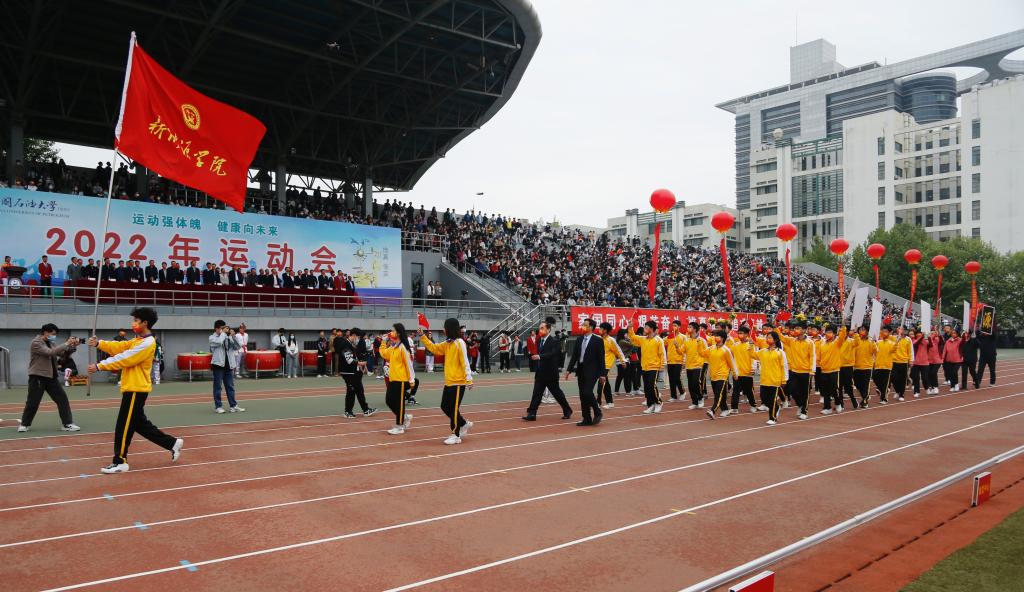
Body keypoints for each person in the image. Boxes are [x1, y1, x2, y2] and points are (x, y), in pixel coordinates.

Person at [87, 307, 183, 474]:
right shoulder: (138, 339)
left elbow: (126, 358)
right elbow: (121, 346)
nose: (133, 323)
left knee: (123, 426)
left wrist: (99, 366)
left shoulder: (147, 343)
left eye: (136, 320)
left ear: (145, 323)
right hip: (132, 388)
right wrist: (99, 344)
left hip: (136, 389)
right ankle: (172, 443)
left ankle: (120, 461)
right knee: (138, 424)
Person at [420, 318, 474, 444]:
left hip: (458, 382)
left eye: (445, 327)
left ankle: (455, 435)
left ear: (449, 328)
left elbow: (465, 361)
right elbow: (434, 348)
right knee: (444, 406)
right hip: (449, 381)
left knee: (453, 409)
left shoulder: (460, 343)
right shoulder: (448, 343)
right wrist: (423, 336)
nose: (443, 330)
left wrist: (469, 379)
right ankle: (463, 423)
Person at [18, 324, 81, 433]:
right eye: (53, 333)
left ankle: (67, 424)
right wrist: (66, 343)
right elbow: (50, 353)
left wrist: (72, 347)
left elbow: (63, 355)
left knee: (62, 399)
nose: (54, 336)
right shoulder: (36, 342)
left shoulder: (51, 343)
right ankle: (24, 424)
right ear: (45, 332)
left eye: (55, 334)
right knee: (33, 402)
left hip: (51, 376)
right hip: (38, 376)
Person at [522, 320, 573, 421]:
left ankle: (567, 410)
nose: (540, 330)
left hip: (551, 373)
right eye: (539, 328)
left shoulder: (554, 341)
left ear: (548, 329)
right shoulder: (539, 341)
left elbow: (553, 354)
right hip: (540, 372)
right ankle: (532, 413)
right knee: (536, 393)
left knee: (557, 393)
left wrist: (539, 356)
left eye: (542, 328)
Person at [565, 318, 605, 426]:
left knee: (587, 392)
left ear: (591, 327)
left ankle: (597, 411)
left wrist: (602, 374)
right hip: (581, 370)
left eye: (585, 325)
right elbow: (574, 356)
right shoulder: (579, 339)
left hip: (593, 371)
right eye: (582, 324)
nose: (582, 326)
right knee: (582, 395)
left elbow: (601, 358)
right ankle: (586, 418)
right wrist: (569, 370)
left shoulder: (598, 340)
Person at [380, 323, 416, 434]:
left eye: (394, 331)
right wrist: (383, 342)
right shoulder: (394, 346)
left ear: (399, 333)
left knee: (399, 403)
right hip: (393, 379)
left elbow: (409, 365)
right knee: (389, 400)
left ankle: (399, 426)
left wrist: (411, 380)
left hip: (401, 380)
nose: (391, 333)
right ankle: (404, 417)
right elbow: (384, 354)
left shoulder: (403, 347)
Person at [627, 319, 665, 415]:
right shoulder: (643, 339)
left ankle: (658, 402)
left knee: (652, 385)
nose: (644, 329)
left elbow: (662, 354)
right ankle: (650, 405)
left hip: (654, 367)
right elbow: (633, 337)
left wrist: (662, 366)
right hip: (644, 367)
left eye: (646, 327)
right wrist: (630, 327)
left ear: (651, 329)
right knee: (647, 387)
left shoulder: (658, 340)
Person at [780, 320, 815, 420]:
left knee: (805, 393)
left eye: (798, 328)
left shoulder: (810, 342)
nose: (795, 330)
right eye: (795, 328)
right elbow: (781, 337)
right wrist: (777, 328)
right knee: (792, 390)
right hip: (794, 370)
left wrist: (812, 371)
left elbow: (812, 356)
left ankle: (804, 411)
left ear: (804, 330)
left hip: (806, 372)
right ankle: (800, 405)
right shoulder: (792, 340)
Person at [338, 328, 376, 418]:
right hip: (348, 372)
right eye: (358, 337)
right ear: (354, 335)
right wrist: (360, 363)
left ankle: (365, 410)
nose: (358, 339)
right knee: (351, 391)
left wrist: (359, 365)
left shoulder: (349, 344)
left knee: (359, 390)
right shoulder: (345, 344)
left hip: (352, 371)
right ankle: (348, 411)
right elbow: (349, 359)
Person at [209, 320, 244, 413]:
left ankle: (233, 406)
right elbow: (219, 342)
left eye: (225, 328)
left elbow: (238, 347)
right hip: (218, 365)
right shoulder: (212, 337)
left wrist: (233, 336)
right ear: (216, 329)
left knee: (230, 386)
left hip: (229, 365)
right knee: (218, 387)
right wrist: (224, 334)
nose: (224, 329)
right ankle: (218, 407)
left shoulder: (228, 337)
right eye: (222, 328)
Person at [755, 331, 789, 426]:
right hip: (764, 380)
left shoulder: (780, 353)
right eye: (767, 338)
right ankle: (777, 408)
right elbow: (753, 355)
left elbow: (784, 366)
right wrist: (750, 345)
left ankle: (772, 418)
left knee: (772, 400)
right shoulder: (763, 351)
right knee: (765, 399)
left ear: (776, 340)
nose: (767, 339)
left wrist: (784, 379)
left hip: (775, 380)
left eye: (770, 338)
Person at [705, 330, 739, 419]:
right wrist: (699, 344)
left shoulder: (726, 350)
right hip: (713, 375)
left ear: (722, 338)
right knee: (720, 394)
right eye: (715, 335)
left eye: (717, 336)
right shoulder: (711, 348)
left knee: (718, 394)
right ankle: (725, 409)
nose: (715, 337)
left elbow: (731, 362)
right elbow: (702, 353)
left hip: (722, 375)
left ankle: (713, 410)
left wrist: (735, 373)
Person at [728, 325, 759, 413]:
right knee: (736, 391)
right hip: (737, 372)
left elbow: (754, 357)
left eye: (741, 333)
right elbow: (729, 354)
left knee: (749, 391)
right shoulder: (735, 345)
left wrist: (753, 368)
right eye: (739, 333)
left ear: (746, 334)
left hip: (747, 372)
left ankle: (753, 405)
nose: (739, 335)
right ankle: (734, 408)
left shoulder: (751, 345)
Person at [597, 322, 626, 409]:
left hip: (606, 365)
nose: (599, 330)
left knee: (601, 383)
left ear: (605, 330)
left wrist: (623, 361)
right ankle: (610, 402)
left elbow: (618, 351)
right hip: (598, 364)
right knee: (606, 384)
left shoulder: (611, 340)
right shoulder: (598, 339)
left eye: (601, 328)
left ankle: (598, 402)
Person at [683, 322, 707, 409]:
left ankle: (700, 398)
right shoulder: (686, 340)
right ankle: (694, 402)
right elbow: (681, 351)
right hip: (689, 365)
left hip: (698, 365)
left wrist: (703, 362)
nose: (688, 328)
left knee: (695, 383)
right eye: (688, 327)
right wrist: (677, 347)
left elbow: (706, 353)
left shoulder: (702, 340)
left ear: (695, 329)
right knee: (690, 385)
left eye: (690, 327)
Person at [850, 325, 875, 407]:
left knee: (865, 384)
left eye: (863, 330)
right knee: (857, 384)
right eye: (860, 330)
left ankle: (864, 401)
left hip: (867, 366)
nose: (861, 331)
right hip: (857, 366)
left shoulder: (870, 341)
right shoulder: (856, 341)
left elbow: (875, 351)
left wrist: (873, 343)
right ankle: (866, 396)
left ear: (867, 331)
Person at [871, 325, 896, 405]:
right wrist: (873, 342)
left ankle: (884, 399)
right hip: (878, 365)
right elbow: (874, 351)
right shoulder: (878, 342)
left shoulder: (892, 343)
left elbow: (894, 350)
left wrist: (897, 343)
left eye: (886, 331)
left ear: (889, 333)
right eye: (883, 331)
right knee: (875, 378)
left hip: (887, 366)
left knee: (885, 383)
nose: (884, 333)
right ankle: (882, 389)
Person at [665, 320, 685, 403]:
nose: (674, 327)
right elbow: (663, 342)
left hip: (678, 360)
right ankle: (673, 396)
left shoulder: (683, 337)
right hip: (670, 360)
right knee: (671, 379)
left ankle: (682, 392)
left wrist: (684, 361)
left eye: (675, 325)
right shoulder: (669, 336)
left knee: (677, 378)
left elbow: (685, 349)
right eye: (673, 325)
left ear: (679, 326)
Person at [891, 326, 913, 401]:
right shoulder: (893, 338)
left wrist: (911, 360)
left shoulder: (908, 339)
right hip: (894, 361)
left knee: (902, 379)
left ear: (904, 330)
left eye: (900, 328)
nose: (898, 329)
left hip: (904, 362)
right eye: (898, 328)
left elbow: (910, 351)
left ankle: (901, 394)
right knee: (893, 378)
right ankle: (897, 391)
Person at [910, 328, 931, 397]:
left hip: (925, 363)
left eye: (920, 334)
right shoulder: (913, 341)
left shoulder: (926, 341)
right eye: (918, 334)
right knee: (916, 378)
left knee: (925, 378)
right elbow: (916, 343)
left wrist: (929, 337)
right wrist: (922, 336)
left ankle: (927, 388)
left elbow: (931, 345)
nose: (919, 335)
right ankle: (916, 391)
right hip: (916, 363)